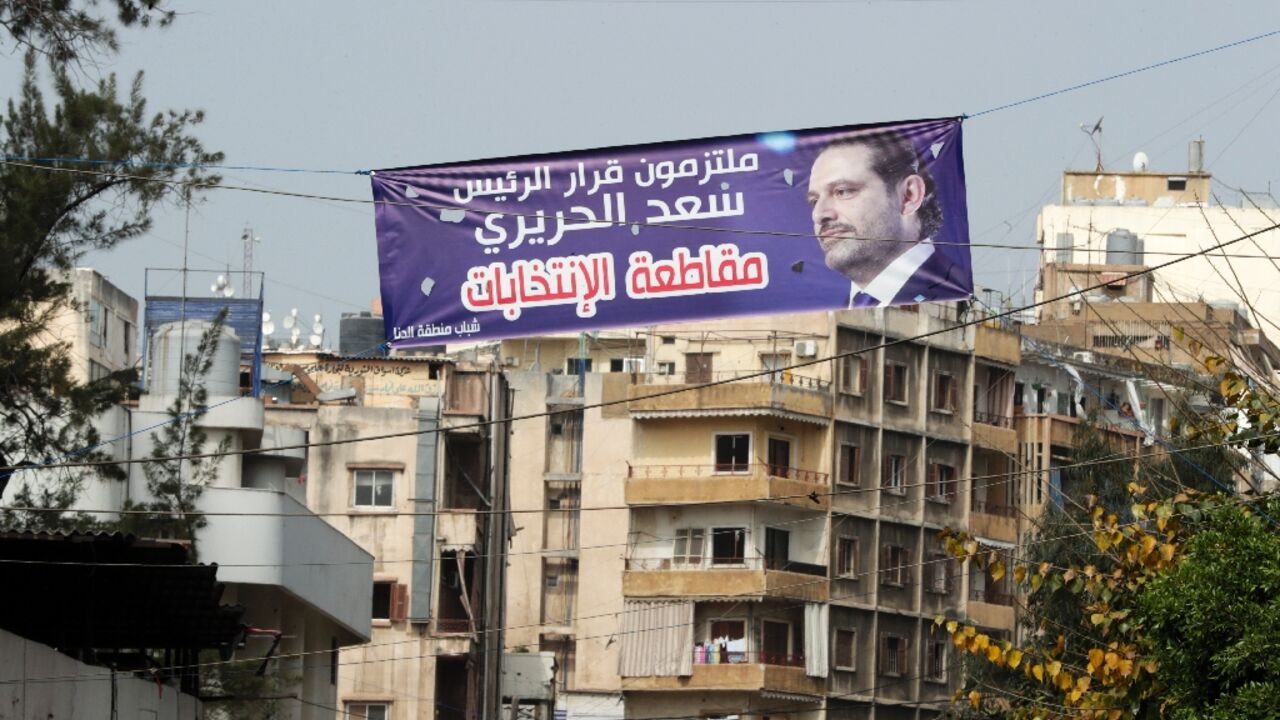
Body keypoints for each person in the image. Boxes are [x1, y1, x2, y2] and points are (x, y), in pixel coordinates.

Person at [806, 130, 968, 308]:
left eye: (843, 191)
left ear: (909, 195)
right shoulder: (830, 309)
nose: (818, 215)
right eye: (814, 201)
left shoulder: (955, 293)